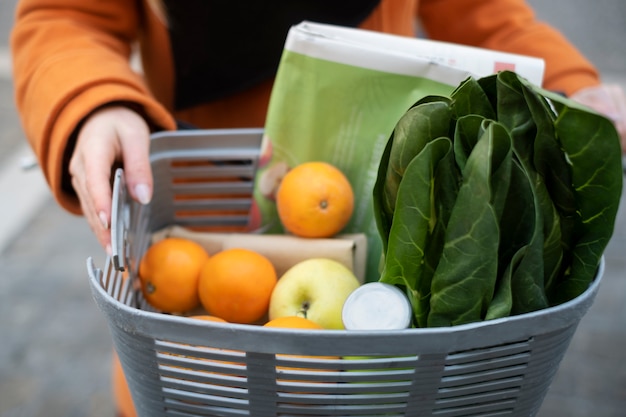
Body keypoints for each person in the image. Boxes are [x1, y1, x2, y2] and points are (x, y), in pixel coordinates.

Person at [9, 1, 626, 416]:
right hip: (203, 220)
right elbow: (67, 15)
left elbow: (484, 13)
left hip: (375, 228)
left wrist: (572, 88)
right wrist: (93, 100)